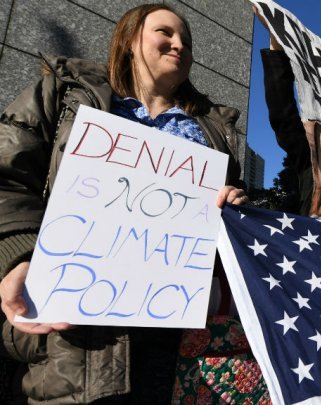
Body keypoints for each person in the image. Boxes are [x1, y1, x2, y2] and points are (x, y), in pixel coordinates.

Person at [0, 4, 249, 402]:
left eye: (187, 41)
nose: (179, 45)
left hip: (180, 344)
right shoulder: (66, 95)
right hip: (74, 340)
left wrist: (233, 207)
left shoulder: (215, 131)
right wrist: (18, 254)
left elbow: (223, 225)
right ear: (130, 40)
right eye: (165, 32)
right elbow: (7, 176)